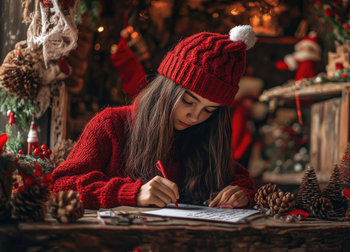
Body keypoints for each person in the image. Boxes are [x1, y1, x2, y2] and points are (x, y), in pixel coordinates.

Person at [52, 25, 258, 209]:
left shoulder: (204, 134)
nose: (195, 116)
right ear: (166, 89)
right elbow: (61, 185)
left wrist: (241, 193)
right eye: (188, 101)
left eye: (209, 110)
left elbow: (238, 178)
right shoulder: (110, 124)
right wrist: (130, 193)